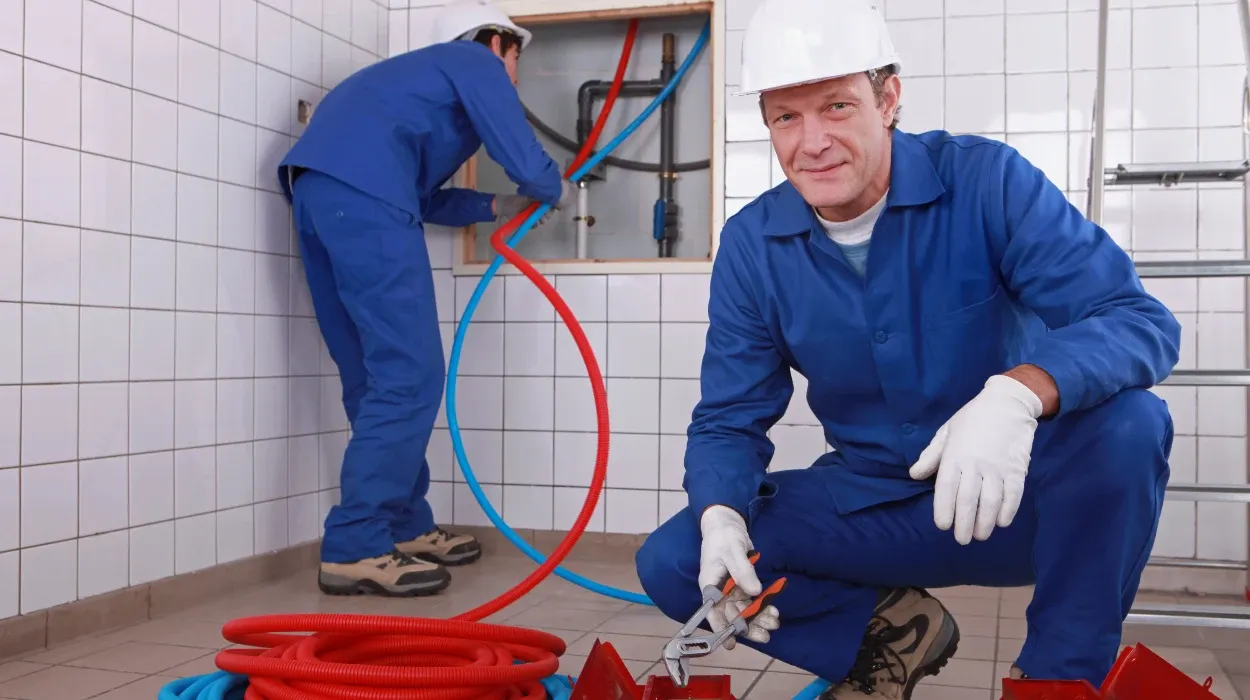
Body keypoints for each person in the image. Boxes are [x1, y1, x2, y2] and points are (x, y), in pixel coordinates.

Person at [634, 0, 1181, 696]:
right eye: (785, 117)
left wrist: (1018, 393)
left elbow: (1139, 321)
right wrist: (720, 516)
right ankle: (891, 630)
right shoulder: (753, 245)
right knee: (679, 558)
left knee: (1131, 423)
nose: (812, 142)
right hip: (878, 510)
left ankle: (1058, 678)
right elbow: (728, 417)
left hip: (1016, 497)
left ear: (887, 99)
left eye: (836, 107)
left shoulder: (986, 182)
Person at [277, 0, 573, 597]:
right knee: (409, 376)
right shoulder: (471, 61)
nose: (513, 74)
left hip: (321, 197)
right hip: (366, 201)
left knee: (373, 379)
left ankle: (401, 524)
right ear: (498, 44)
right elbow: (523, 157)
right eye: (516, 60)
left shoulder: (409, 92)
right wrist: (551, 186)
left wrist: (496, 208)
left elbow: (422, 196)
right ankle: (357, 542)